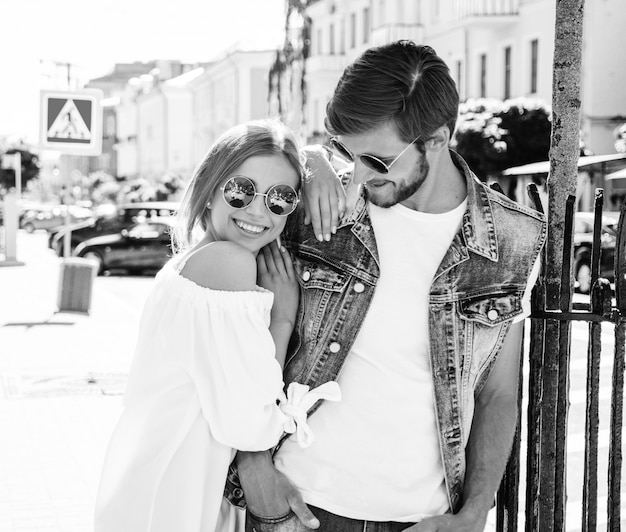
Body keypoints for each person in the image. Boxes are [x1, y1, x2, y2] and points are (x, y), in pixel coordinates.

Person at [229, 41, 546, 531]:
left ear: (437, 140)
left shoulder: (511, 239)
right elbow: (233, 335)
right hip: (297, 507)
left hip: (423, 521)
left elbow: (499, 394)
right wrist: (253, 468)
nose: (357, 175)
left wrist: (474, 514)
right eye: (345, 154)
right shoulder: (323, 207)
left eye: (376, 161)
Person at [94, 119, 340, 532]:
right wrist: (282, 318)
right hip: (175, 499)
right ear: (210, 189)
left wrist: (315, 156)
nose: (259, 210)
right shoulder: (227, 263)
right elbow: (251, 425)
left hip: (153, 485)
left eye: (280, 198)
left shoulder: (191, 262)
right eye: (241, 190)